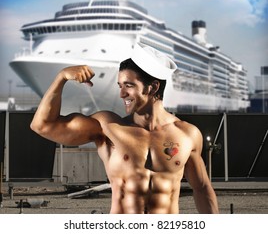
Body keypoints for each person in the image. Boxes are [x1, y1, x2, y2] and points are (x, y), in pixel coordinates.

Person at [30, 43, 219, 214]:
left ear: (153, 87)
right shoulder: (108, 126)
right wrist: (61, 77)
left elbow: (202, 188)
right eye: (120, 86)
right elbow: (42, 126)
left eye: (128, 86)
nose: (121, 94)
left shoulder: (187, 134)